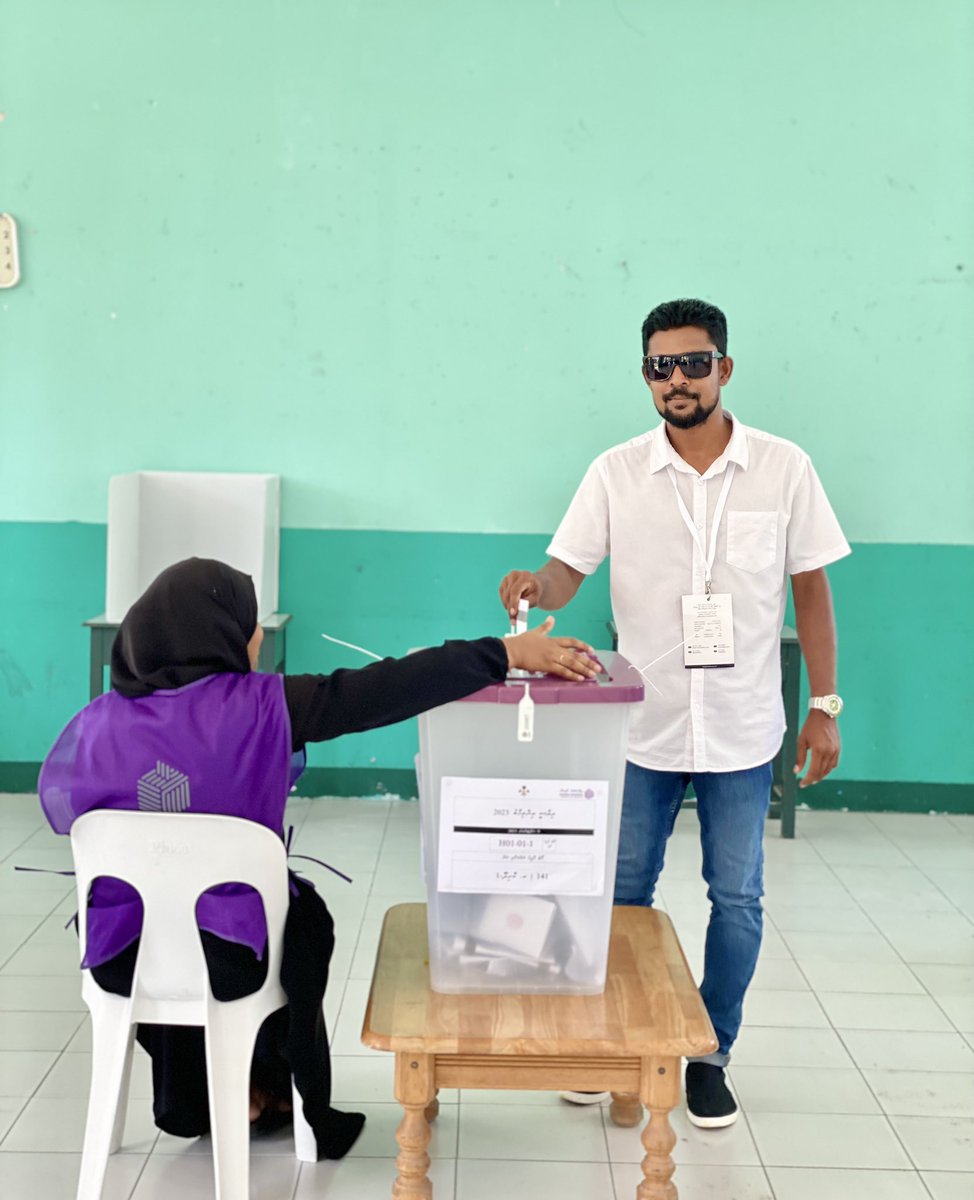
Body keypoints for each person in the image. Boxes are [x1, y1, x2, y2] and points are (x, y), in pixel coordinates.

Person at [39, 556, 599, 1157]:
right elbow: (389, 688)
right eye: (249, 624)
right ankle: (285, 1090)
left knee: (172, 915)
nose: (257, 637)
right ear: (220, 634)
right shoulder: (264, 706)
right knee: (301, 921)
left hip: (121, 961)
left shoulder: (93, 722)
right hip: (234, 964)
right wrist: (503, 653)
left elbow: (67, 809)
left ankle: (213, 1094)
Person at [499, 298, 850, 1128]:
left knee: (738, 898)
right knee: (622, 889)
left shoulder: (784, 468)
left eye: (694, 363)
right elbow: (567, 571)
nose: (678, 380)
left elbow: (811, 591)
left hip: (742, 726)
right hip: (642, 725)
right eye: (662, 367)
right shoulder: (615, 472)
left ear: (724, 368)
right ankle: (616, 1044)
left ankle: (710, 1054)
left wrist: (824, 705)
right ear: (646, 376)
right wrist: (537, 586)